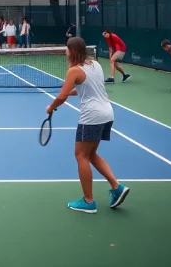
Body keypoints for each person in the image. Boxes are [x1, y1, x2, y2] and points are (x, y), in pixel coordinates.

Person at [46, 37, 129, 213]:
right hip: (107, 113)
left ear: (72, 50)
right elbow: (88, 86)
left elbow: (61, 96)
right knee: (91, 154)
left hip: (92, 116)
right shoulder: (95, 64)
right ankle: (117, 187)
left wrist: (51, 107)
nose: (65, 51)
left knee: (81, 155)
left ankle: (88, 201)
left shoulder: (74, 70)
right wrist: (69, 93)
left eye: (67, 49)